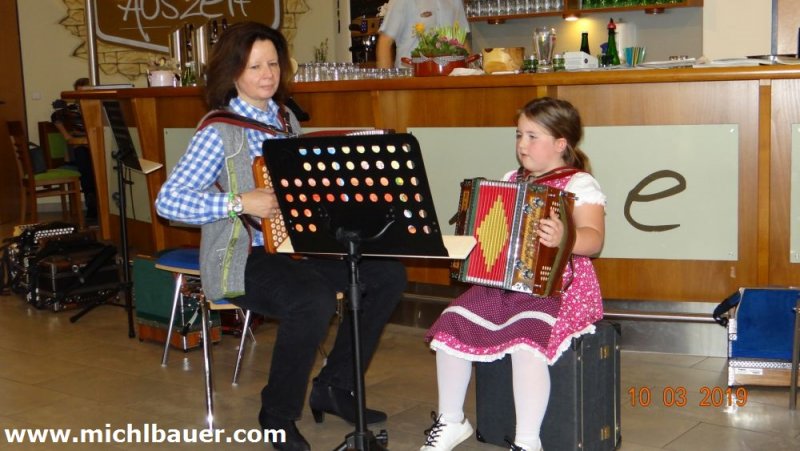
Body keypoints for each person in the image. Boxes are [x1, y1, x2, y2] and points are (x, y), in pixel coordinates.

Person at [155, 22, 406, 451]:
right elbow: (168, 201)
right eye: (255, 66)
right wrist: (240, 203)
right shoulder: (219, 131)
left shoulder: (284, 118)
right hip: (242, 256)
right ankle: (277, 413)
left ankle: (334, 386)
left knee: (386, 276)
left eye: (273, 63)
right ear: (233, 72)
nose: (268, 74)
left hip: (294, 249)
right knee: (311, 301)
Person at [419, 97, 606, 451]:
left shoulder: (579, 184)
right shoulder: (511, 179)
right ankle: (452, 420)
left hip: (560, 287)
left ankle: (527, 441)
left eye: (533, 136)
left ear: (561, 143)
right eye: (519, 135)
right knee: (451, 324)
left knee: (526, 341)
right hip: (507, 286)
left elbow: (594, 240)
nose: (522, 144)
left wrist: (566, 237)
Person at [51, 77, 97, 221]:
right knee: (84, 160)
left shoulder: (98, 106)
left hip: (96, 147)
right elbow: (55, 117)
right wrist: (67, 137)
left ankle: (98, 203)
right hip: (79, 147)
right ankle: (92, 204)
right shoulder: (71, 109)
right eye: (80, 93)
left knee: (96, 163)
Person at [376, 0, 471, 68]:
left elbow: (462, 39)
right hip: (411, 79)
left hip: (450, 79)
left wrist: (470, 73)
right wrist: (385, 85)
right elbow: (385, 43)